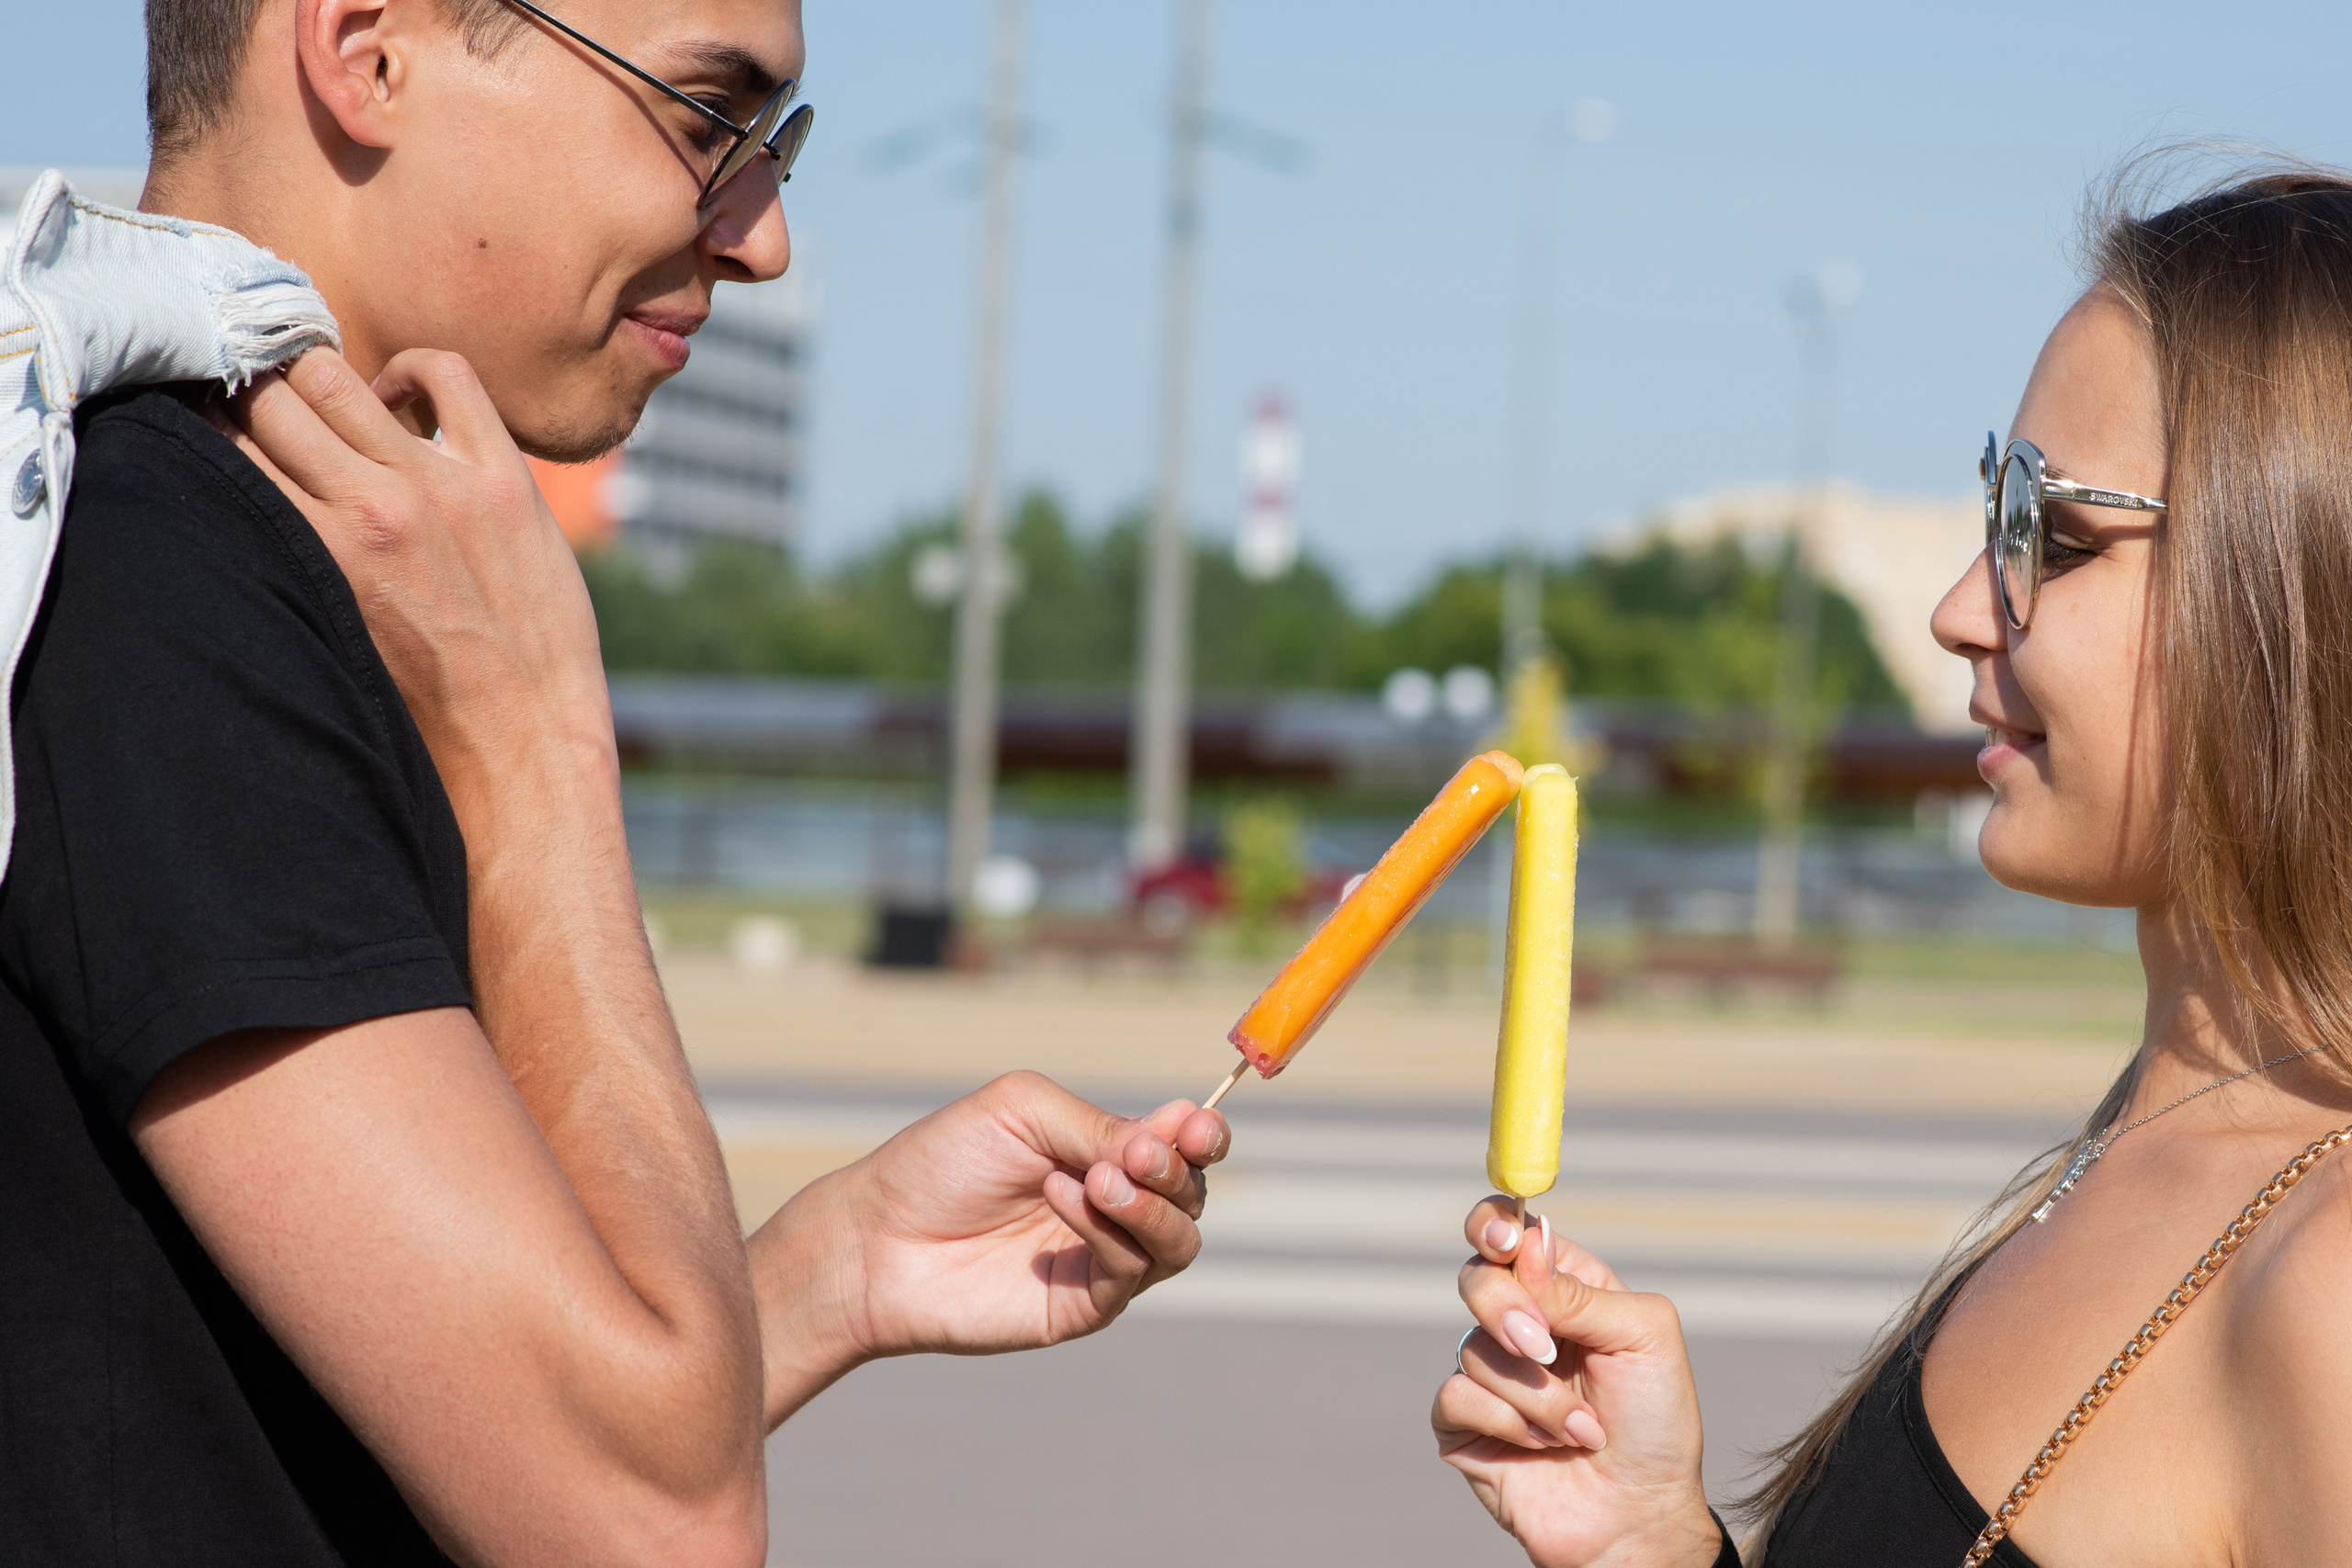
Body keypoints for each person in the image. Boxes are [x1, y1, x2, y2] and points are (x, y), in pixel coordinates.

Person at [1, 3, 1229, 1564]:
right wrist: (540, 741)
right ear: (366, 47)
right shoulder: (152, 574)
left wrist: (827, 1273)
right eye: (708, 115)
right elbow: (651, 1526)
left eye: (774, 149)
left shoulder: (221, 552)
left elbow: (304, 1431)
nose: (764, 237)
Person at [1431, 164, 2352, 1568]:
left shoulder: (2331, 1290)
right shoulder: (2150, 1137)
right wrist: (1661, 1548)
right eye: (1996, 517)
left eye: (2055, 534)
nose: (1958, 609)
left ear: (2298, 594)